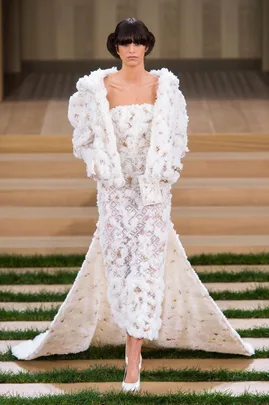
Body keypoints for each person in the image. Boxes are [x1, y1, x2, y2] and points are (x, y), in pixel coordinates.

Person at [11, 17, 255, 393]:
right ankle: (130, 341)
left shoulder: (166, 89)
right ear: (116, 47)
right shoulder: (98, 89)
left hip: (153, 194)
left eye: (137, 42)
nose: (131, 49)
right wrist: (102, 168)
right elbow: (85, 138)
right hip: (115, 194)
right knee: (120, 266)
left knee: (145, 266)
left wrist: (165, 170)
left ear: (147, 46)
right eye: (125, 42)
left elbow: (176, 137)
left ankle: (133, 358)